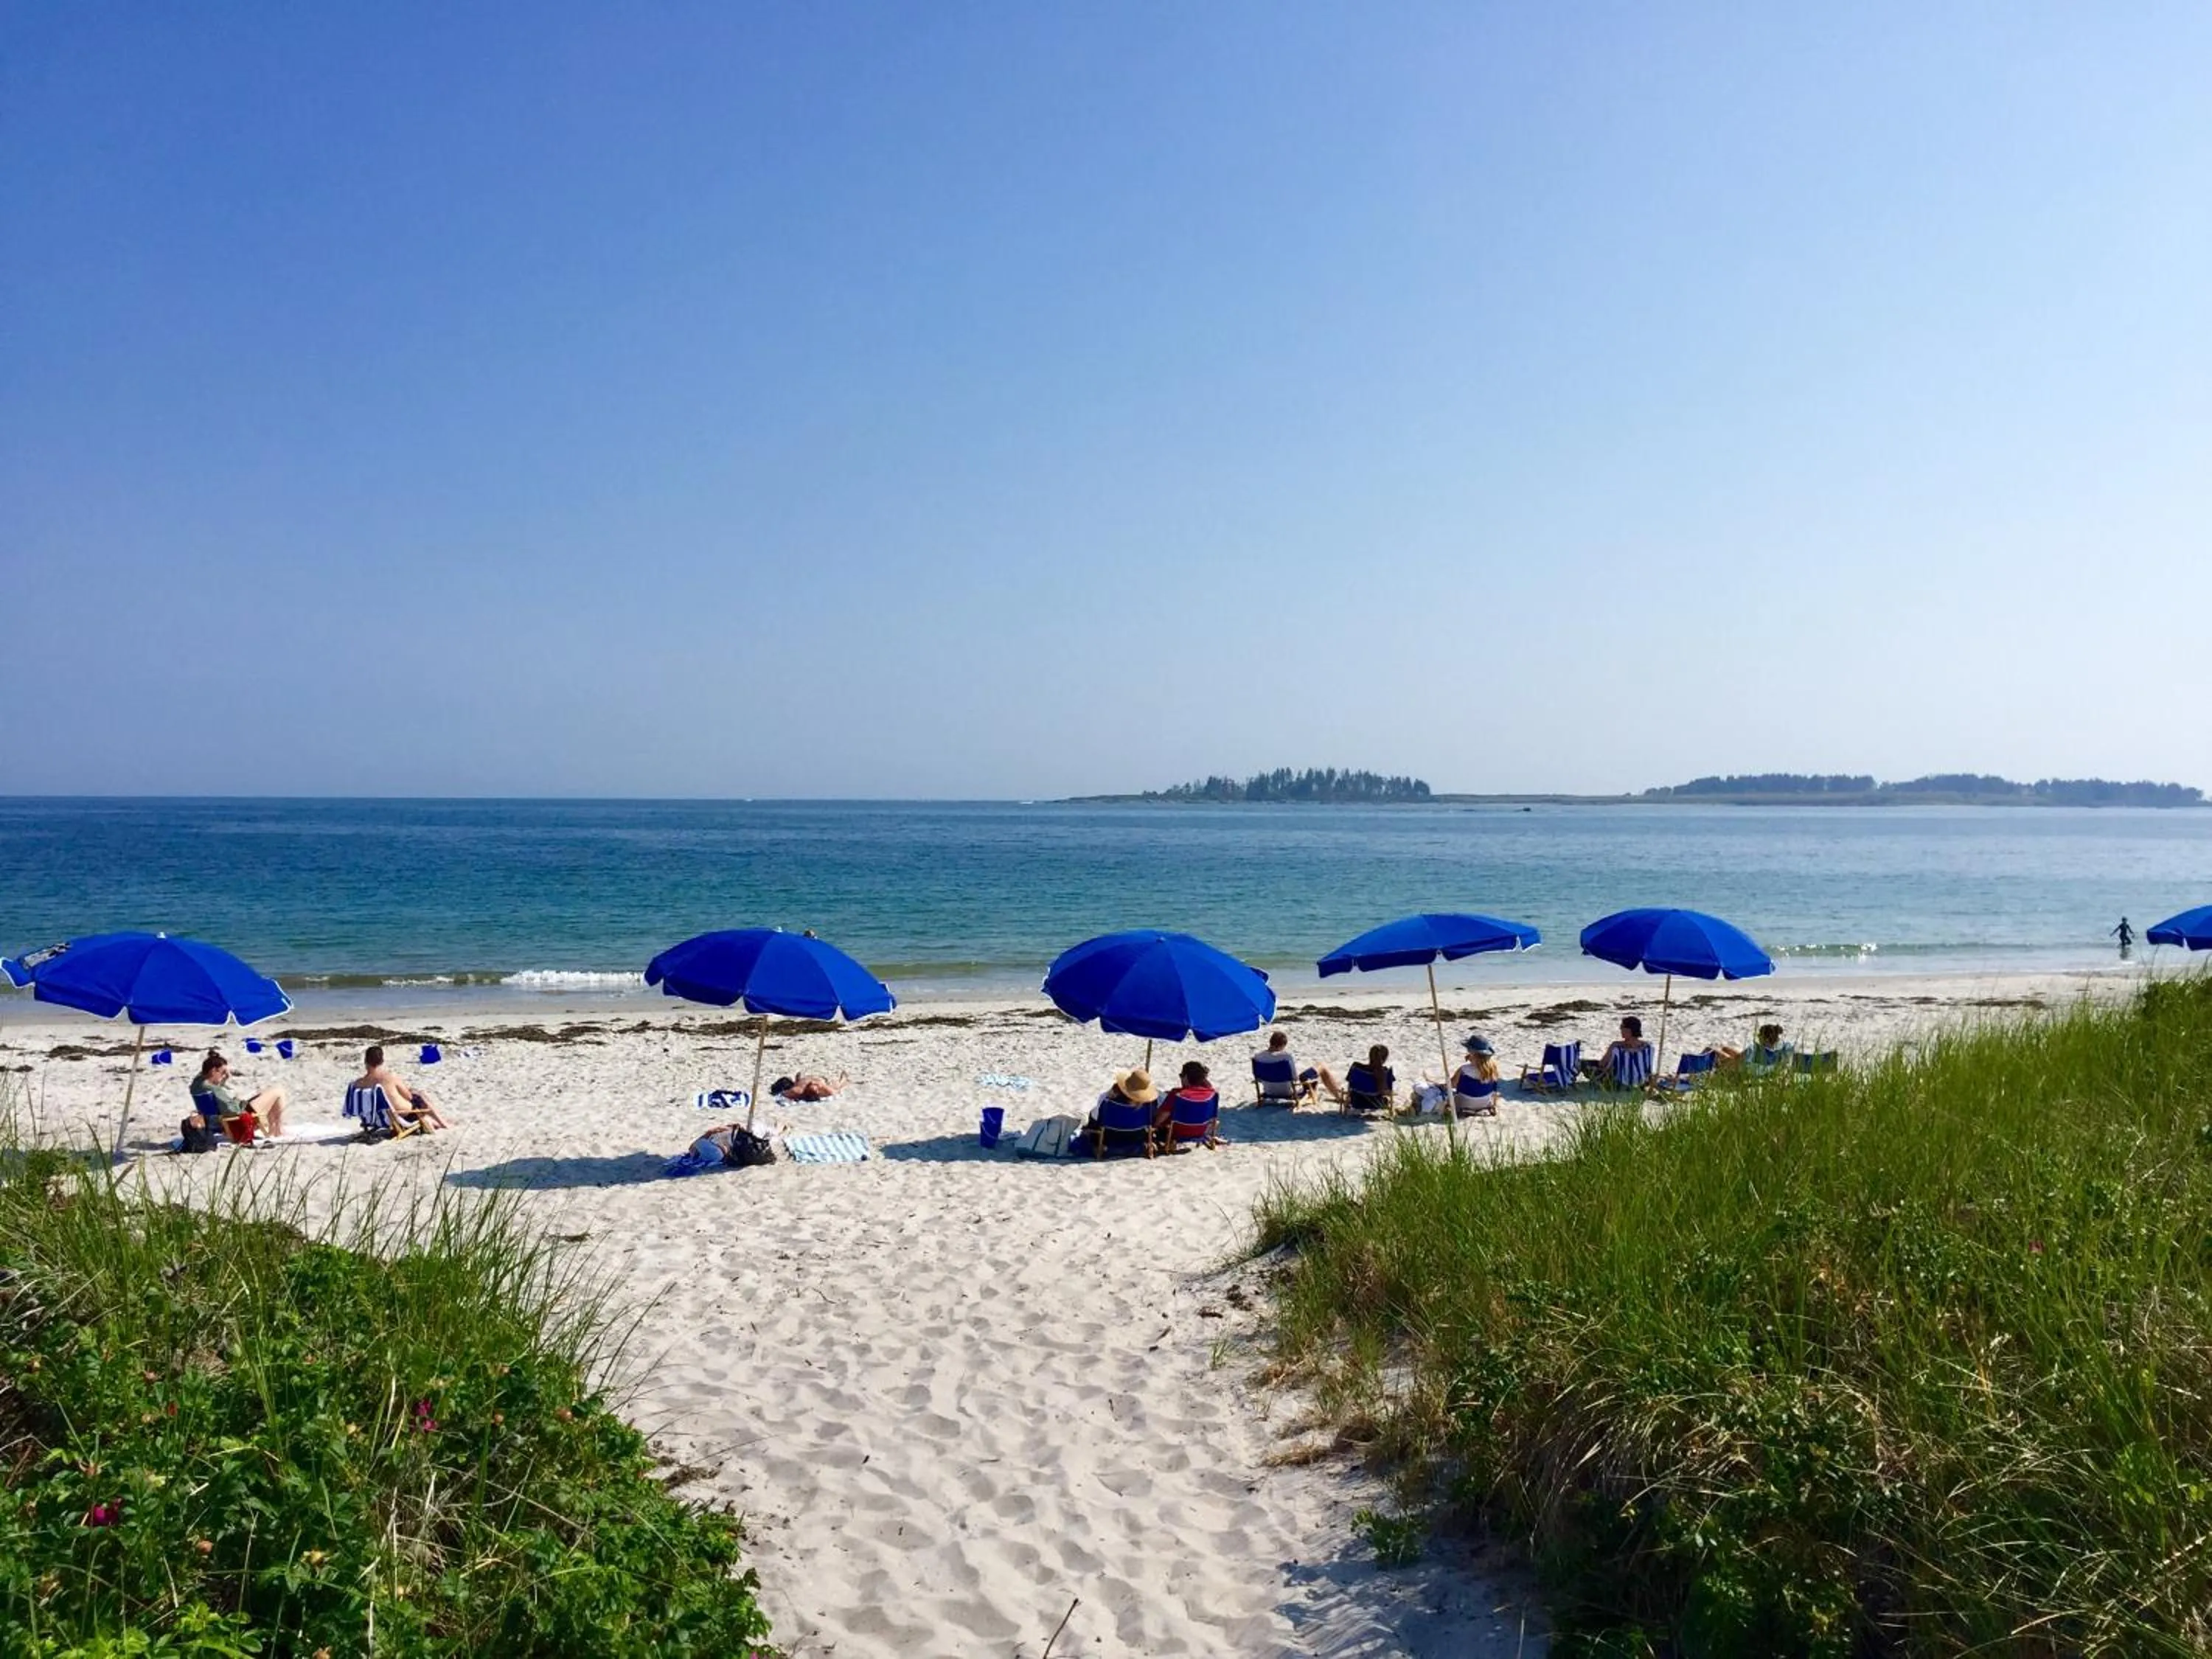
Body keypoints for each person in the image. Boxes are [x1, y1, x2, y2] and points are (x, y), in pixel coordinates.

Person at [190, 1050, 288, 1138]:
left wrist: (221, 1074)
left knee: (263, 1093)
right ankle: (277, 1131)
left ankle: (274, 1130)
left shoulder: (198, 1085)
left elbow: (207, 1075)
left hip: (225, 1123)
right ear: (213, 1071)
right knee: (278, 1091)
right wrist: (239, 1102)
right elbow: (233, 1111)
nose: (225, 1075)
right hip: (238, 1122)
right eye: (223, 1072)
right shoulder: (213, 1089)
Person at [352, 1044, 451, 1131]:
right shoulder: (390, 1078)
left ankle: (433, 1122)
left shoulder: (358, 1084)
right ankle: (443, 1123)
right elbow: (409, 1097)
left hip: (373, 1119)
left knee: (414, 1095)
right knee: (419, 1096)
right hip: (400, 1115)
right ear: (382, 1061)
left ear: (365, 1061)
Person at [1077, 1068, 1159, 1155]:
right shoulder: (1150, 1105)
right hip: (1137, 1141)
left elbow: (1094, 1119)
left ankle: (1098, 1147)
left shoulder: (1107, 1102)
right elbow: (1152, 1122)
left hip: (1109, 1140)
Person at [1158, 1059, 1225, 1148]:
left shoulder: (1177, 1095)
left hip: (1177, 1133)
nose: (1181, 1078)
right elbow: (1209, 1086)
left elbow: (1161, 1117)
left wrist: (1155, 1125)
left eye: (1181, 1075)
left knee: (1159, 1097)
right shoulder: (1212, 1094)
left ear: (1186, 1077)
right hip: (1201, 1131)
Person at [1317, 1044, 1395, 1113]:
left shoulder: (1356, 1068)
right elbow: (1385, 1092)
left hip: (1356, 1102)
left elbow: (1350, 1085)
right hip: (1376, 1104)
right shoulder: (1385, 1073)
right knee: (1385, 1100)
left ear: (1370, 1056)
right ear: (1384, 1059)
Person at [1251, 1029, 1319, 1105]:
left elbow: (1259, 1079)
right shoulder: (1286, 1057)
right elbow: (1295, 1078)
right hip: (1288, 1094)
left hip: (1269, 1092)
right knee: (1312, 1072)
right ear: (1282, 1045)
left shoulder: (1258, 1057)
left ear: (1270, 1042)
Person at [1589, 1018, 1652, 1088]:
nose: (1620, 1029)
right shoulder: (1648, 1048)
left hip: (1621, 1083)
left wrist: (1612, 1046)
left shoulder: (1618, 1049)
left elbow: (1602, 1064)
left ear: (1629, 1030)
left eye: (1622, 1027)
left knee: (1586, 1064)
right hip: (1642, 1082)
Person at [1452, 1035, 1501, 1117]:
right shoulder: (1493, 1069)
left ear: (1472, 1053)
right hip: (1485, 1103)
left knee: (1450, 1094)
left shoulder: (1464, 1069)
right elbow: (1495, 1089)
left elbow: (1452, 1084)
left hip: (1465, 1103)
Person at [1712, 1023, 1790, 1070]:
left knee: (1711, 1050)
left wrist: (1720, 1064)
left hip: (1736, 1067)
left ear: (1765, 1039)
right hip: (1751, 1064)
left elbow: (1736, 1064)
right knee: (1725, 1048)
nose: (1758, 1036)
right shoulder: (1778, 1053)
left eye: (1760, 1034)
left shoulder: (1754, 1050)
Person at [769, 1072, 848, 1102]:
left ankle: (843, 1079)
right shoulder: (825, 1089)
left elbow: (783, 1094)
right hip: (818, 1079)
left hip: (817, 1080)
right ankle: (844, 1079)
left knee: (837, 1086)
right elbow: (837, 1090)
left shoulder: (797, 1091)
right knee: (836, 1086)